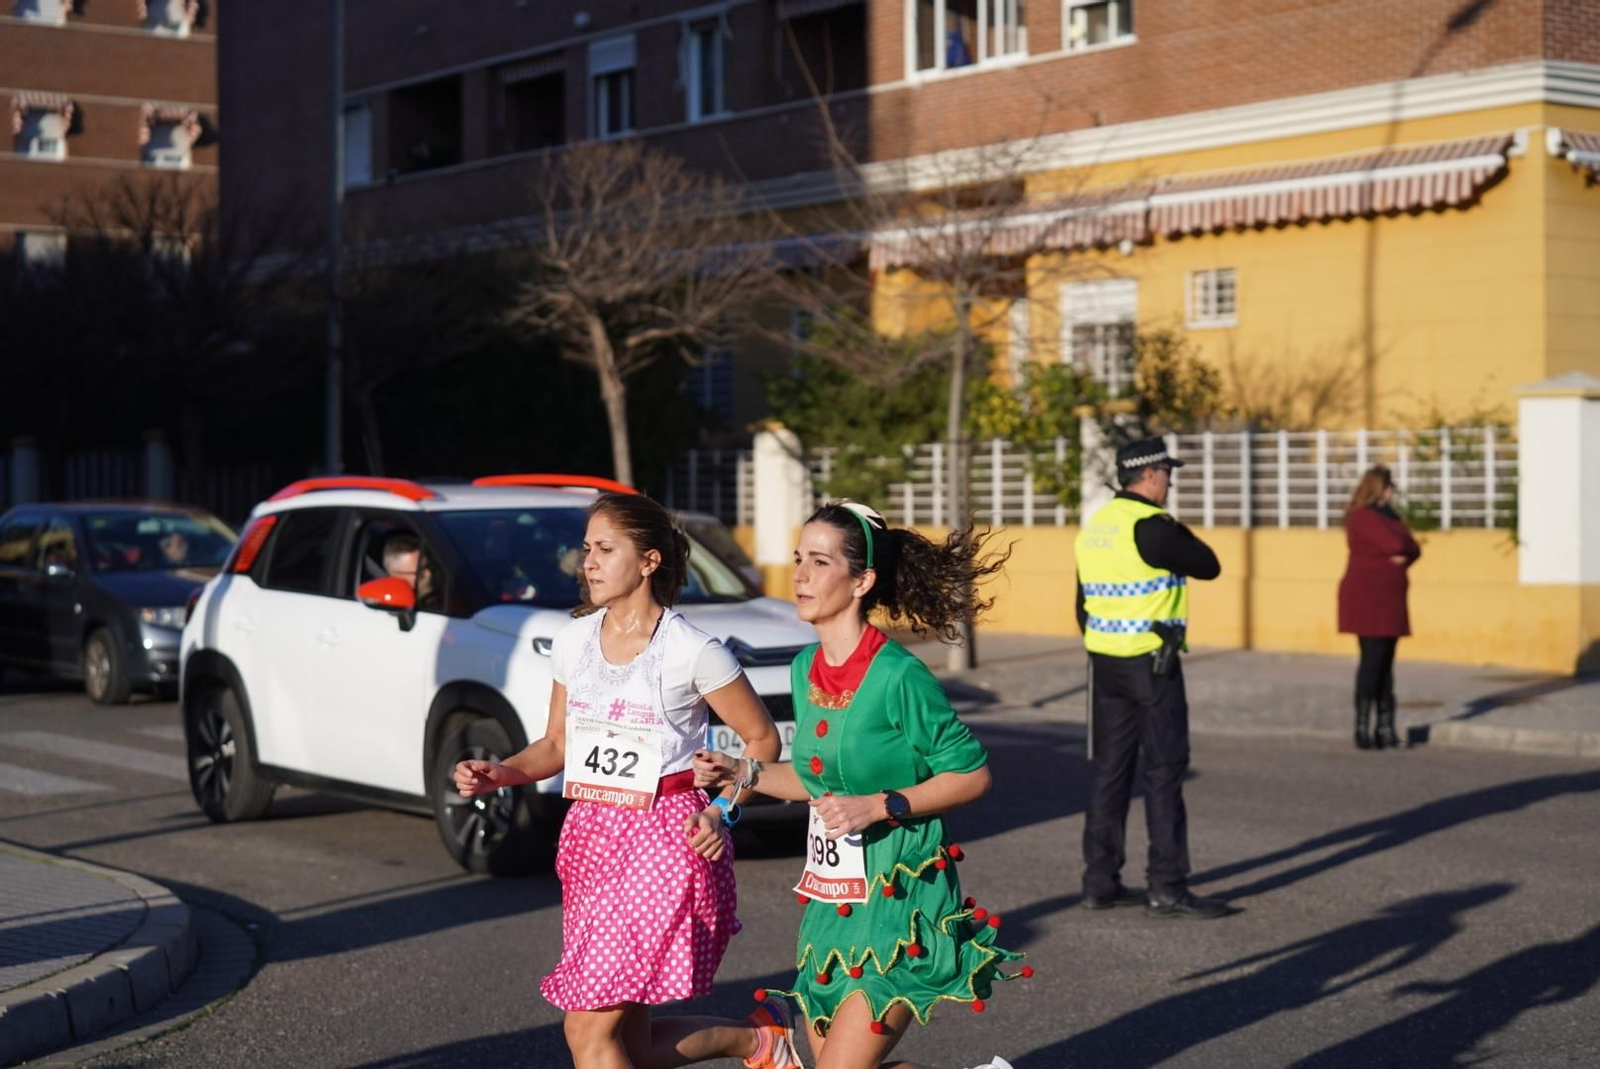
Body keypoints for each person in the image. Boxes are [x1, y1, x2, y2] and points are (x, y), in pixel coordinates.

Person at [453, 492, 802, 1069]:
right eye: (586, 548)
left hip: (664, 841)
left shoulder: (692, 651)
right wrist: (503, 773)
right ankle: (759, 1041)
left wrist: (722, 810)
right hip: (591, 836)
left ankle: (759, 1041)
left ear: (648, 562)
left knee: (588, 1032)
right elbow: (558, 745)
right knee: (626, 1045)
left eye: (605, 549)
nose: (587, 562)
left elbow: (762, 742)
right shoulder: (572, 642)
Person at [695, 501, 1023, 1069]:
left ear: (861, 580)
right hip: (835, 904)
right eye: (799, 559)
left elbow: (972, 773)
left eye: (819, 562)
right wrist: (743, 772)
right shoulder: (804, 667)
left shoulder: (899, 675)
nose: (799, 575)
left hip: (903, 895)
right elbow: (814, 779)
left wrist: (883, 804)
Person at [1074, 436, 1229, 920]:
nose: (1171, 482)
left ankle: (1100, 883)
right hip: (1151, 666)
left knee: (1109, 773)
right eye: (1168, 473)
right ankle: (1167, 886)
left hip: (1105, 665)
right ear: (1152, 475)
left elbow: (1082, 607)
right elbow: (1209, 565)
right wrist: (1168, 524)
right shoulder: (1153, 527)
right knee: (1163, 772)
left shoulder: (1095, 527)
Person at [1337, 465, 1421, 750]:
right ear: (1378, 488)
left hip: (1390, 600)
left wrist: (1404, 553)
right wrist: (1401, 550)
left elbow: (1413, 547)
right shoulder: (1363, 517)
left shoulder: (1391, 516)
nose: (1393, 490)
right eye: (1389, 485)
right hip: (1368, 599)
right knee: (1372, 663)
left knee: (1386, 664)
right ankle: (1362, 727)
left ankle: (1385, 727)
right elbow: (1396, 543)